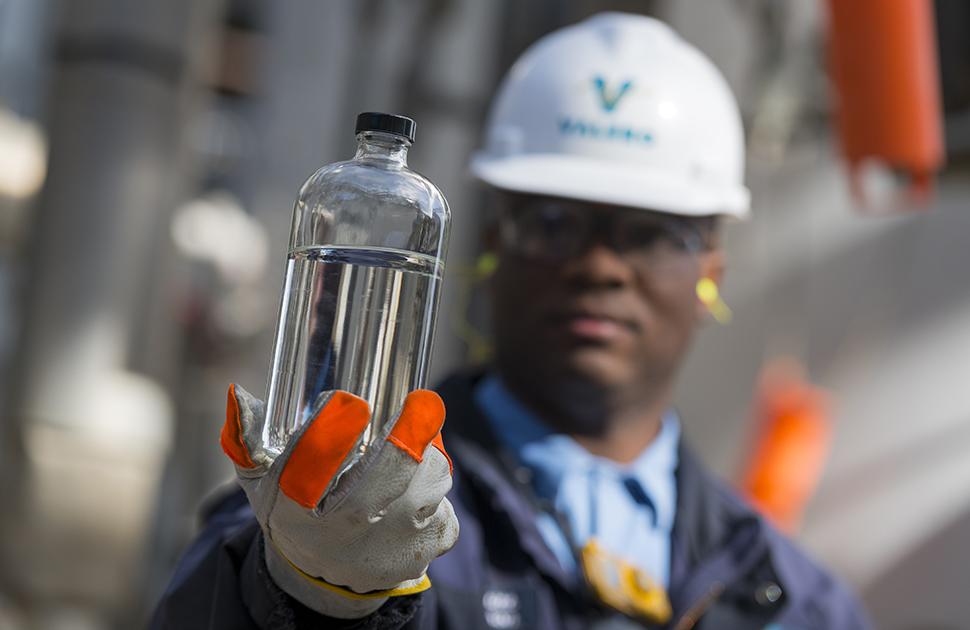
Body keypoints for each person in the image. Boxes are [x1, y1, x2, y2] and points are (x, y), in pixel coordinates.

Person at [152, 12, 869, 629]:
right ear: (495, 242)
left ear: (712, 270)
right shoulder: (342, 517)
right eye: (554, 222)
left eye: (653, 233)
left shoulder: (793, 603)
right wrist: (304, 595)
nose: (600, 268)